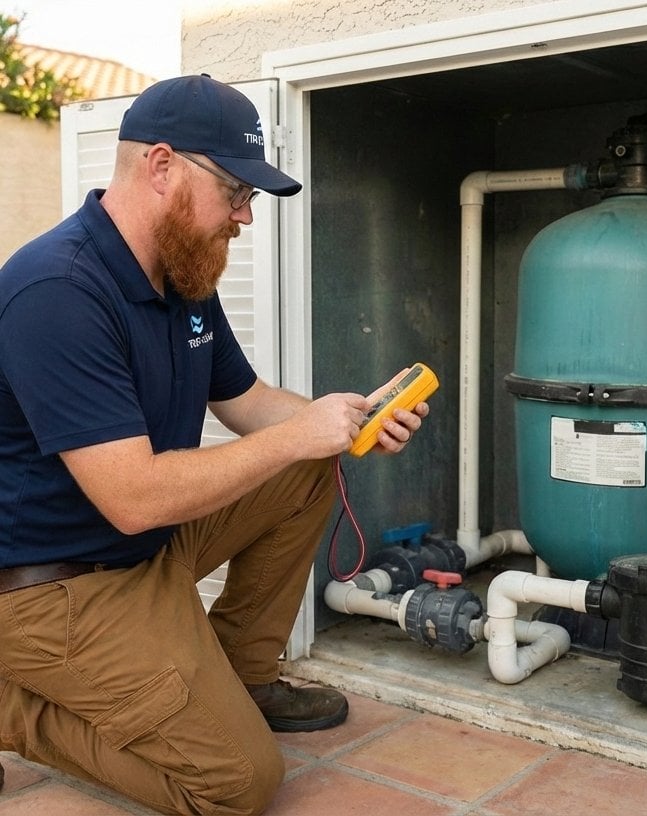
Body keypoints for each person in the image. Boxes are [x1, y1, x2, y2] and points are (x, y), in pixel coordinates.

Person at [0, 74, 429, 815]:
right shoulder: (56, 290)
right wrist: (296, 435)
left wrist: (347, 424)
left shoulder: (182, 279)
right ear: (161, 166)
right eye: (235, 192)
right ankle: (15, 707)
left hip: (144, 549)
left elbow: (250, 404)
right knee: (236, 785)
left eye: (251, 198)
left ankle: (241, 675)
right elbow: (132, 498)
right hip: (58, 587)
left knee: (304, 467)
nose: (245, 217)